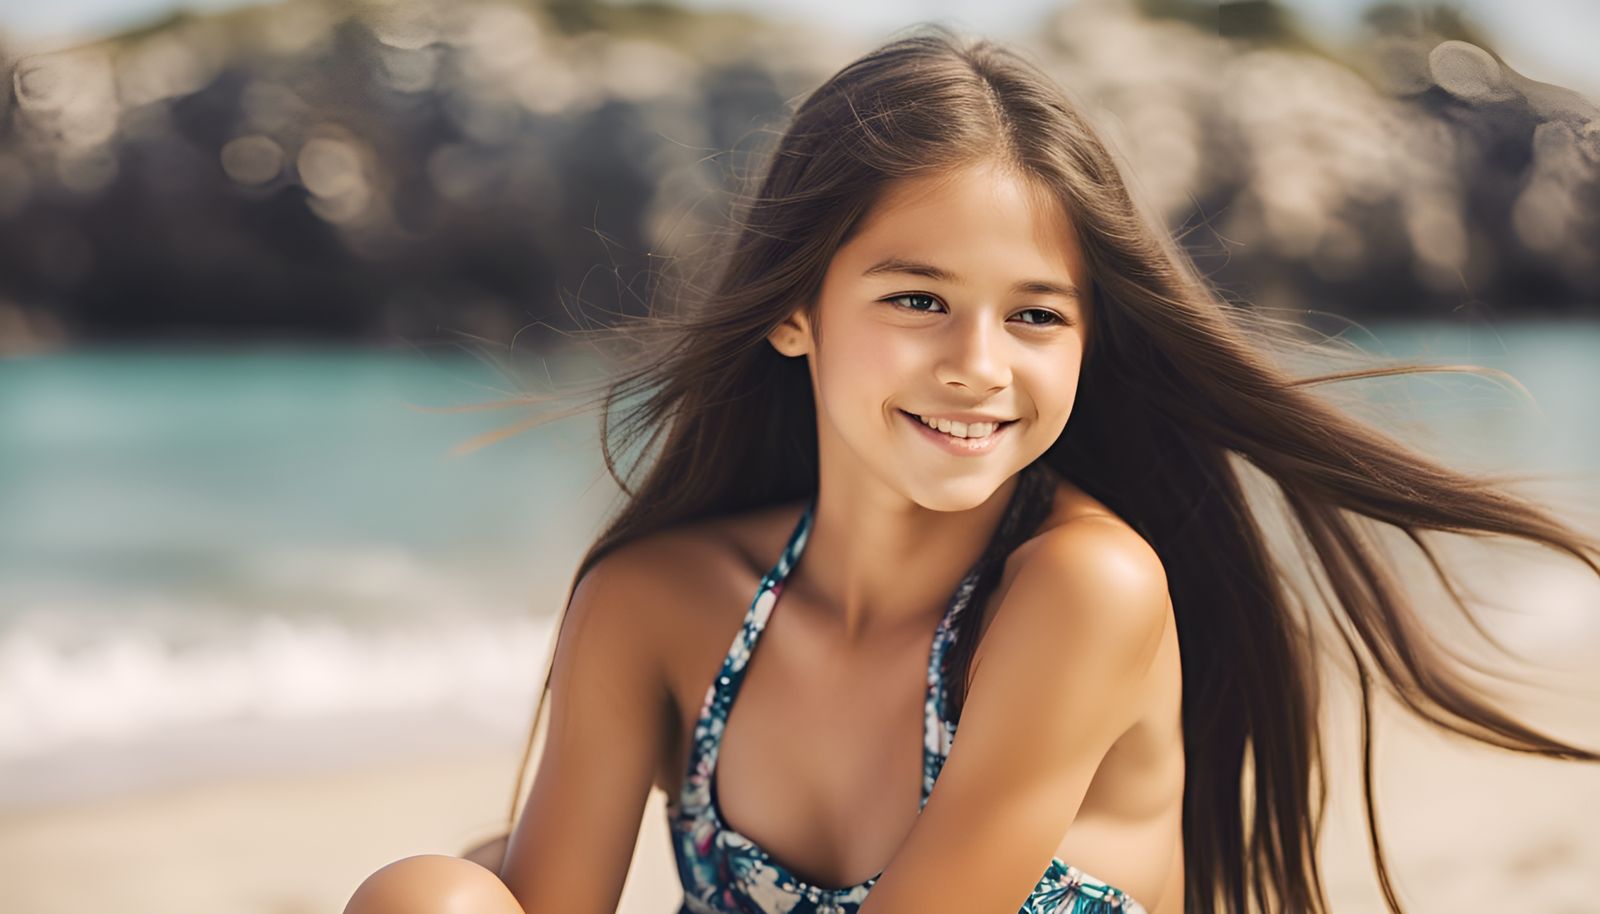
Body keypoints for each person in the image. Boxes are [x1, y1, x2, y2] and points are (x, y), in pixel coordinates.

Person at [344, 25, 1600, 914]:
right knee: (428, 896)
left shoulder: (1086, 590)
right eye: (917, 297)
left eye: (1036, 316)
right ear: (795, 308)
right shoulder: (652, 603)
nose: (977, 364)